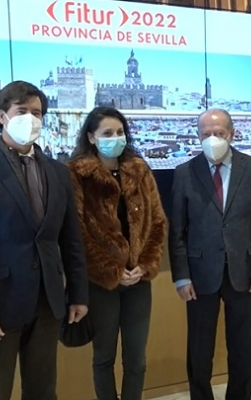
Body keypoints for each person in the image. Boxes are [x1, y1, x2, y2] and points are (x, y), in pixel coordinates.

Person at [0, 80, 89, 400]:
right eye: (22, 111)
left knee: (42, 392)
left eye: (37, 112)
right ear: (2, 116)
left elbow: (71, 240)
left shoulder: (58, 172)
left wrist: (78, 293)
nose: (31, 118)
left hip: (48, 303)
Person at [168, 108, 251, 400]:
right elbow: (176, 230)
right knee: (200, 350)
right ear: (197, 135)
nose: (212, 139)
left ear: (232, 133)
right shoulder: (184, 172)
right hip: (199, 274)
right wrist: (180, 276)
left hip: (245, 270)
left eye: (219, 133)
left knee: (242, 348)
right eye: (206, 134)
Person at [67, 107, 167, 400]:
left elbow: (157, 223)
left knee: (136, 360)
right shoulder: (77, 174)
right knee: (104, 356)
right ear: (91, 137)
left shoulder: (139, 169)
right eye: (107, 133)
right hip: (101, 284)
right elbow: (76, 232)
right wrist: (111, 269)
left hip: (138, 281)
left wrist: (146, 264)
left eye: (120, 132)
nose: (115, 138)